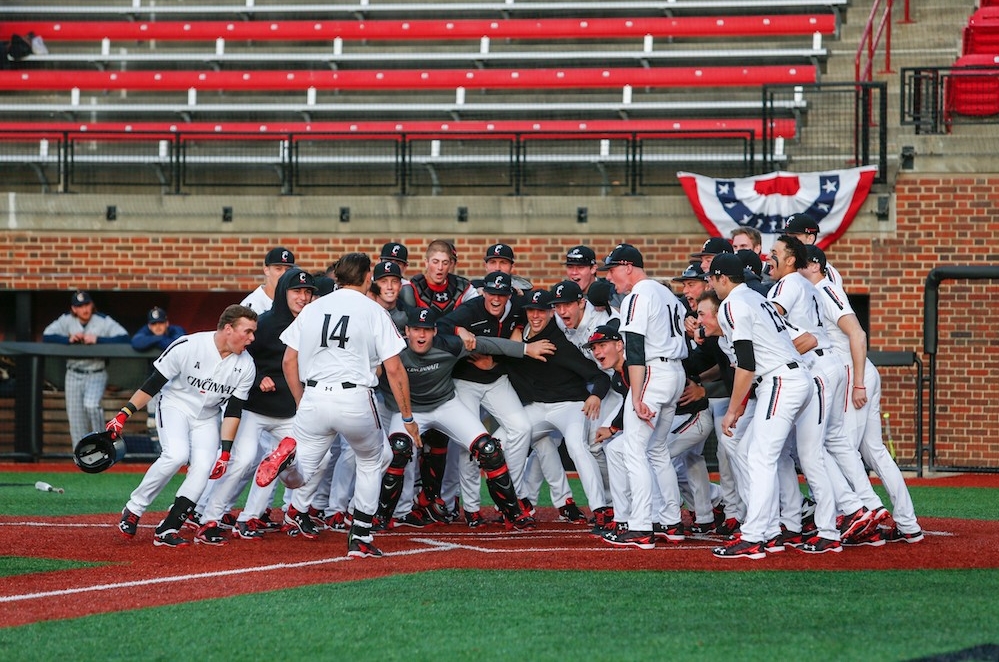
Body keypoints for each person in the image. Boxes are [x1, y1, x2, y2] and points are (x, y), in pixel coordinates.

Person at [257, 252, 420, 559]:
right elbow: (395, 368)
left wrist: (301, 401)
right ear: (366, 277)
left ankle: (285, 462)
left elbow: (289, 360)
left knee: (303, 471)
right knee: (376, 458)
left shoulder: (312, 308)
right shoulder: (372, 310)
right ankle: (360, 535)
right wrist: (408, 417)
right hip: (354, 396)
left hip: (315, 396)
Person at [374, 307, 550, 529]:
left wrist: (526, 349)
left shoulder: (449, 345)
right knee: (398, 449)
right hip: (409, 411)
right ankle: (382, 516)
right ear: (406, 331)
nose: (421, 335)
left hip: (445, 404)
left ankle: (512, 512)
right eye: (416, 329)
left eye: (427, 330)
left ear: (435, 331)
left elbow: (488, 344)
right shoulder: (392, 350)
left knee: (489, 450)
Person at [702, 256, 826, 559]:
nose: (709, 284)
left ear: (722, 278)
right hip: (793, 376)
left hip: (781, 379)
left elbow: (746, 364)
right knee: (755, 454)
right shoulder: (756, 297)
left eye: (710, 278)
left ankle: (755, 535)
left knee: (760, 457)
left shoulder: (732, 304)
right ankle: (772, 530)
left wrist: (733, 410)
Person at [113, 305, 258, 547]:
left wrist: (225, 451)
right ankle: (134, 508)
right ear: (229, 329)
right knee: (176, 455)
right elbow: (153, 384)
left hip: (208, 416)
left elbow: (233, 410)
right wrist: (123, 414)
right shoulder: (189, 345)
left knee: (203, 467)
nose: (252, 338)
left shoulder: (246, 365)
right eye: (248, 331)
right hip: (175, 405)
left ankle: (169, 527)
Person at [767, 235, 876, 545]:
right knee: (822, 447)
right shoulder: (805, 284)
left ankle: (840, 519)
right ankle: (856, 508)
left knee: (811, 451)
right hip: (826, 365)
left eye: (774, 253)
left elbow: (774, 324)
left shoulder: (789, 284)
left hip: (816, 367)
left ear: (790, 260)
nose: (768, 258)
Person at [195, 269, 317, 544]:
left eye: (308, 292)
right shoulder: (265, 324)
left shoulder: (315, 324)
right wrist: (259, 377)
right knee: (243, 460)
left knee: (297, 463)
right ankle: (208, 518)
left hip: (292, 411)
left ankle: (253, 517)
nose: (303, 297)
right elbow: (239, 357)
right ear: (284, 290)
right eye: (297, 291)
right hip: (254, 408)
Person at [597, 244, 688, 549]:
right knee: (657, 451)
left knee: (633, 450)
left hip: (654, 371)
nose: (610, 278)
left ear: (628, 267)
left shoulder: (638, 294)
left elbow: (634, 347)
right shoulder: (666, 293)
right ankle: (672, 522)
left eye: (612, 270)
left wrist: (637, 396)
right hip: (675, 372)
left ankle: (640, 526)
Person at [505, 289, 613, 524]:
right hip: (537, 407)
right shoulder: (519, 337)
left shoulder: (560, 342)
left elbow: (600, 377)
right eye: (531, 310)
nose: (535, 316)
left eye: (541, 311)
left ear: (550, 312)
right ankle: (520, 502)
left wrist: (595, 395)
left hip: (570, 405)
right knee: (507, 441)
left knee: (577, 446)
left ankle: (601, 507)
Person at [437, 271, 537, 526]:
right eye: (491, 293)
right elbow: (441, 325)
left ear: (509, 295)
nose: (496, 299)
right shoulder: (471, 309)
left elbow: (535, 310)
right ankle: (471, 509)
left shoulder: (517, 310)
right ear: (483, 293)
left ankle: (507, 501)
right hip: (465, 382)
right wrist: (459, 329)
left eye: (501, 294)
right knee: (467, 445)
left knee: (522, 428)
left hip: (496, 380)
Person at [43, 291, 130, 449]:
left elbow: (124, 337)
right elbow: (47, 335)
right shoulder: (66, 320)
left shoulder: (102, 320)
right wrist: (67, 339)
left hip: (95, 372)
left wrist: (98, 340)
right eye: (80, 306)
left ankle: (102, 443)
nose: (84, 309)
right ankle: (80, 455)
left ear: (92, 305)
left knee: (91, 405)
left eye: (86, 305)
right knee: (75, 419)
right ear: (74, 309)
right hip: (73, 374)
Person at [130, 307, 186, 449]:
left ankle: (176, 451)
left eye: (160, 323)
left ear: (167, 323)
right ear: (149, 325)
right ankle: (158, 452)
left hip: (176, 384)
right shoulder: (146, 332)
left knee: (177, 419)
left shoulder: (176, 330)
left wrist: (155, 340)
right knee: (152, 421)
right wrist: (160, 339)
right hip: (155, 385)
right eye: (154, 324)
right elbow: (137, 342)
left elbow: (177, 342)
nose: (158, 327)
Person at [399, 239, 476, 314]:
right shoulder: (412, 288)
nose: (440, 267)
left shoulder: (463, 287)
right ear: (426, 262)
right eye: (435, 262)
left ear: (450, 264)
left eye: (445, 263)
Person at [782, 213, 843, 285]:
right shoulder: (784, 266)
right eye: (787, 237)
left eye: (794, 236)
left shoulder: (827, 275)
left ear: (810, 239)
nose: (788, 241)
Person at [564, 244, 622, 309]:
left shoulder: (612, 290)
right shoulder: (563, 293)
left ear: (593, 269)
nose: (574, 272)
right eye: (570, 267)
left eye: (580, 267)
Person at [241, 246, 297, 312]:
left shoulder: (295, 301)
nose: (284, 274)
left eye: (288, 269)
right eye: (278, 269)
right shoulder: (253, 305)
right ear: (266, 270)